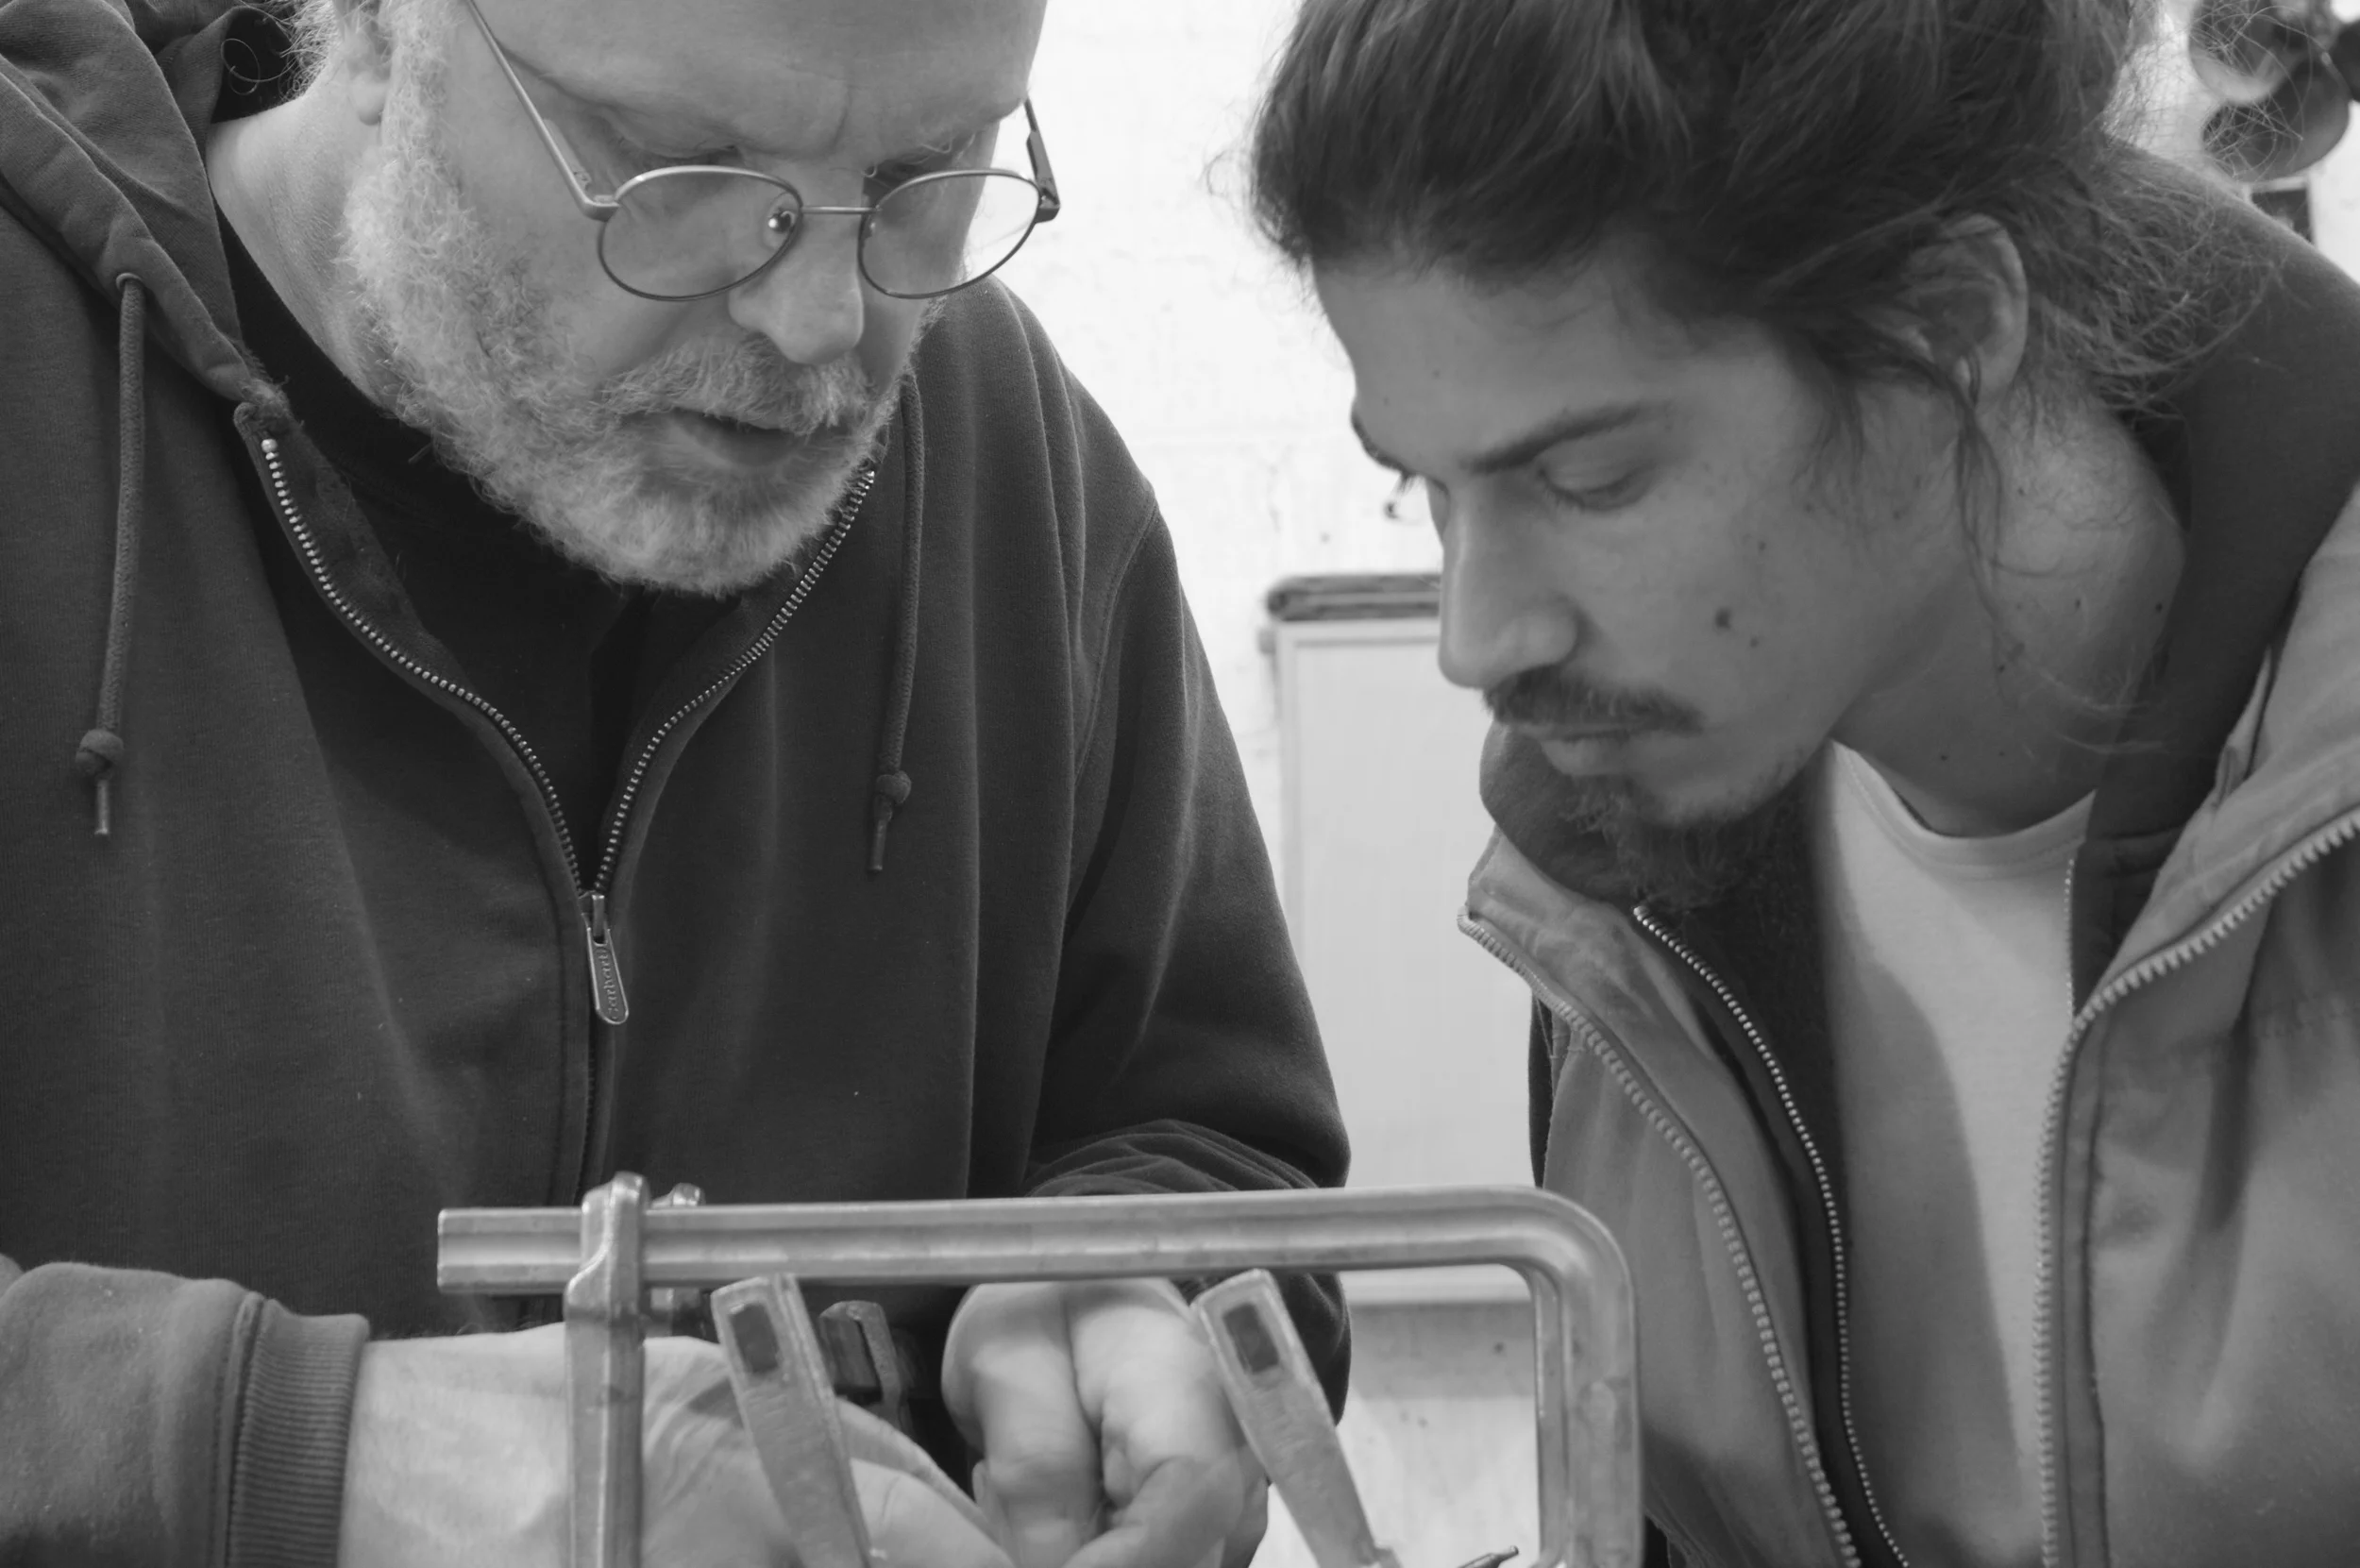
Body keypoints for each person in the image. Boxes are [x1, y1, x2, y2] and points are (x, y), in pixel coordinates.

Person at [0, 0, 1351, 1560]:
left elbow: (1208, 1136)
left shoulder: (998, 450)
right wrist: (291, 1449)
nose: (821, 325)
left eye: (929, 170)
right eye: (680, 169)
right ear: (377, 29)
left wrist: (1131, 1293)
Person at [1249, 0, 2360, 1564]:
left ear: (1951, 330)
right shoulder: (1617, 885)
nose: (1477, 635)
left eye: (1591, 478)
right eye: (1427, 487)